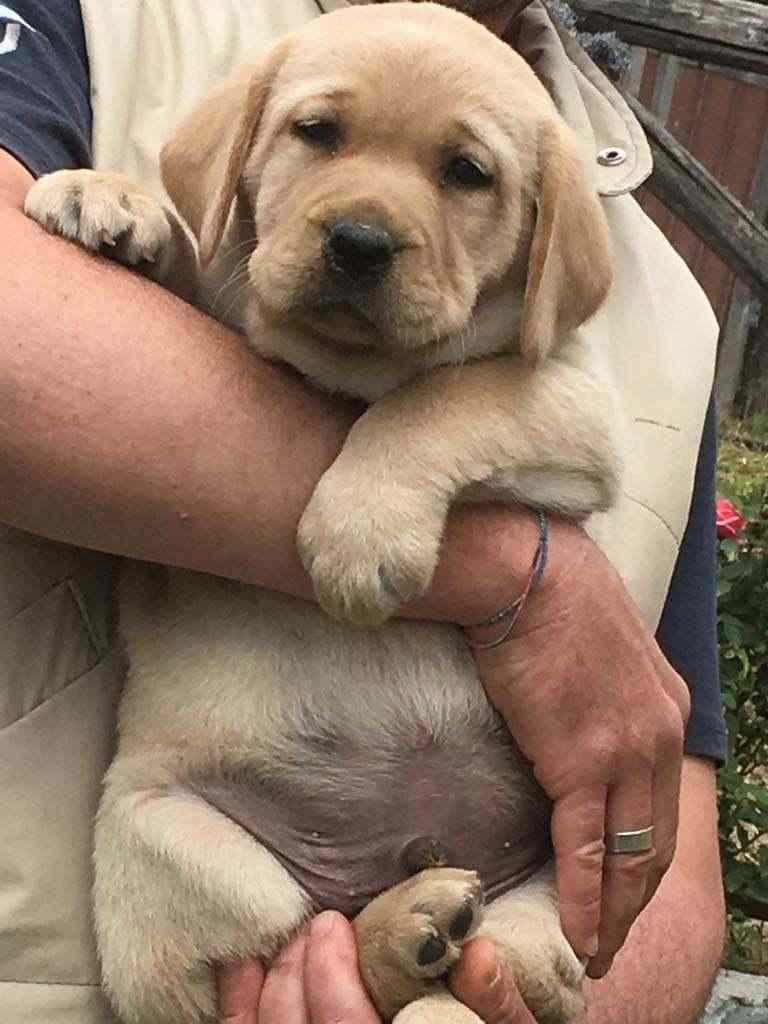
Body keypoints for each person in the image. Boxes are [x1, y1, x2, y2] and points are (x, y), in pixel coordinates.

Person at [0, 1, 725, 1023]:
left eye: (466, 174)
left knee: (509, 962)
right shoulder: (91, 17)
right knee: (149, 845)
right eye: (320, 133)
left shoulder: (667, 310)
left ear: (537, 239)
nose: (368, 222)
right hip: (205, 845)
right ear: (240, 156)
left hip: (494, 887)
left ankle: (407, 974)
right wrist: (523, 579)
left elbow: (679, 869)